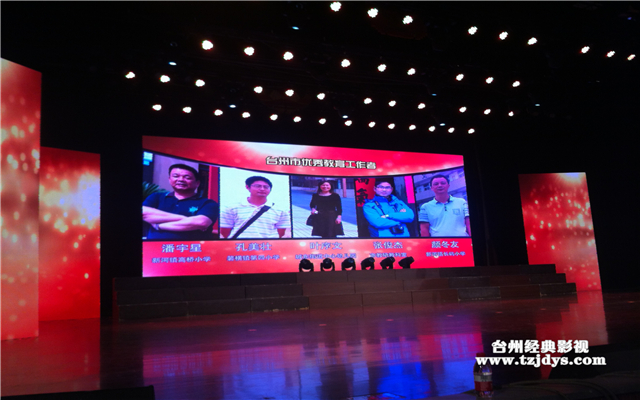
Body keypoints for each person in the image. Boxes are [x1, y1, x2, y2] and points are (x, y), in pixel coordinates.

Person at [143, 164, 218, 240]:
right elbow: (144, 213)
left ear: (197, 183)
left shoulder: (208, 203)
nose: (181, 179)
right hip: (155, 246)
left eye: (187, 177)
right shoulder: (156, 197)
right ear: (169, 179)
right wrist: (185, 219)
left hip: (192, 247)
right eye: (176, 176)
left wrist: (159, 226)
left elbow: (201, 222)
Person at [219, 176, 291, 239]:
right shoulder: (232, 208)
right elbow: (225, 232)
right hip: (240, 246)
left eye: (266, 187)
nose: (262, 189)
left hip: (267, 247)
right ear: (247, 187)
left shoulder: (280, 210)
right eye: (257, 186)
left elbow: (281, 233)